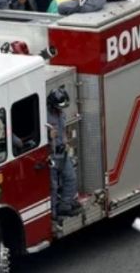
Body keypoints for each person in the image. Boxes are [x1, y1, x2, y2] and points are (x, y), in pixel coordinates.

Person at [47, 87, 81, 217]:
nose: (61, 109)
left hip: (62, 152)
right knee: (53, 186)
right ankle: (53, 214)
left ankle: (65, 205)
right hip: (51, 155)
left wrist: (66, 142)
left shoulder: (61, 113)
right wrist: (49, 135)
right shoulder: (44, 115)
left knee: (70, 177)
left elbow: (63, 129)